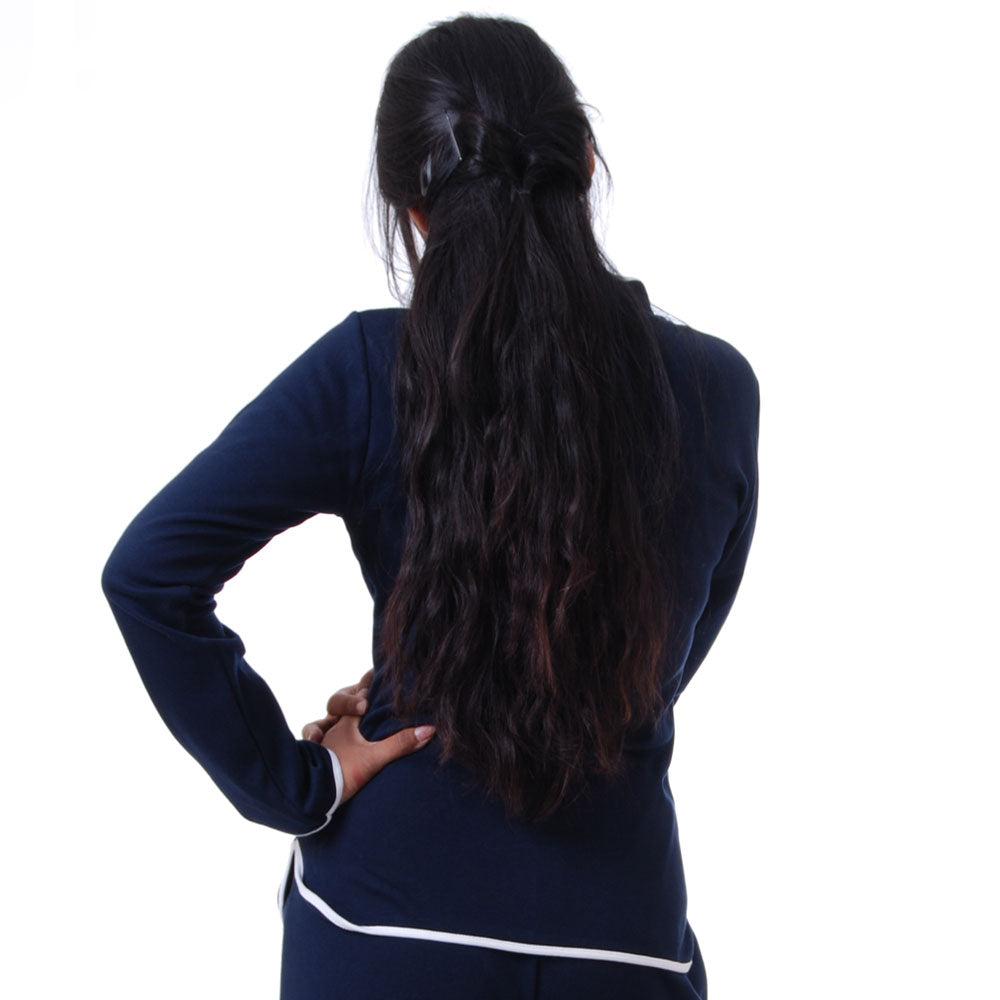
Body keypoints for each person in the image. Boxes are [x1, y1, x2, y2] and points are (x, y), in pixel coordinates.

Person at [101, 14, 759, 1000]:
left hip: (384, 923)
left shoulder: (371, 369)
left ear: (412, 207)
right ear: (585, 157)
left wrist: (300, 780)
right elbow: (663, 650)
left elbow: (149, 574)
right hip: (622, 943)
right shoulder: (718, 389)